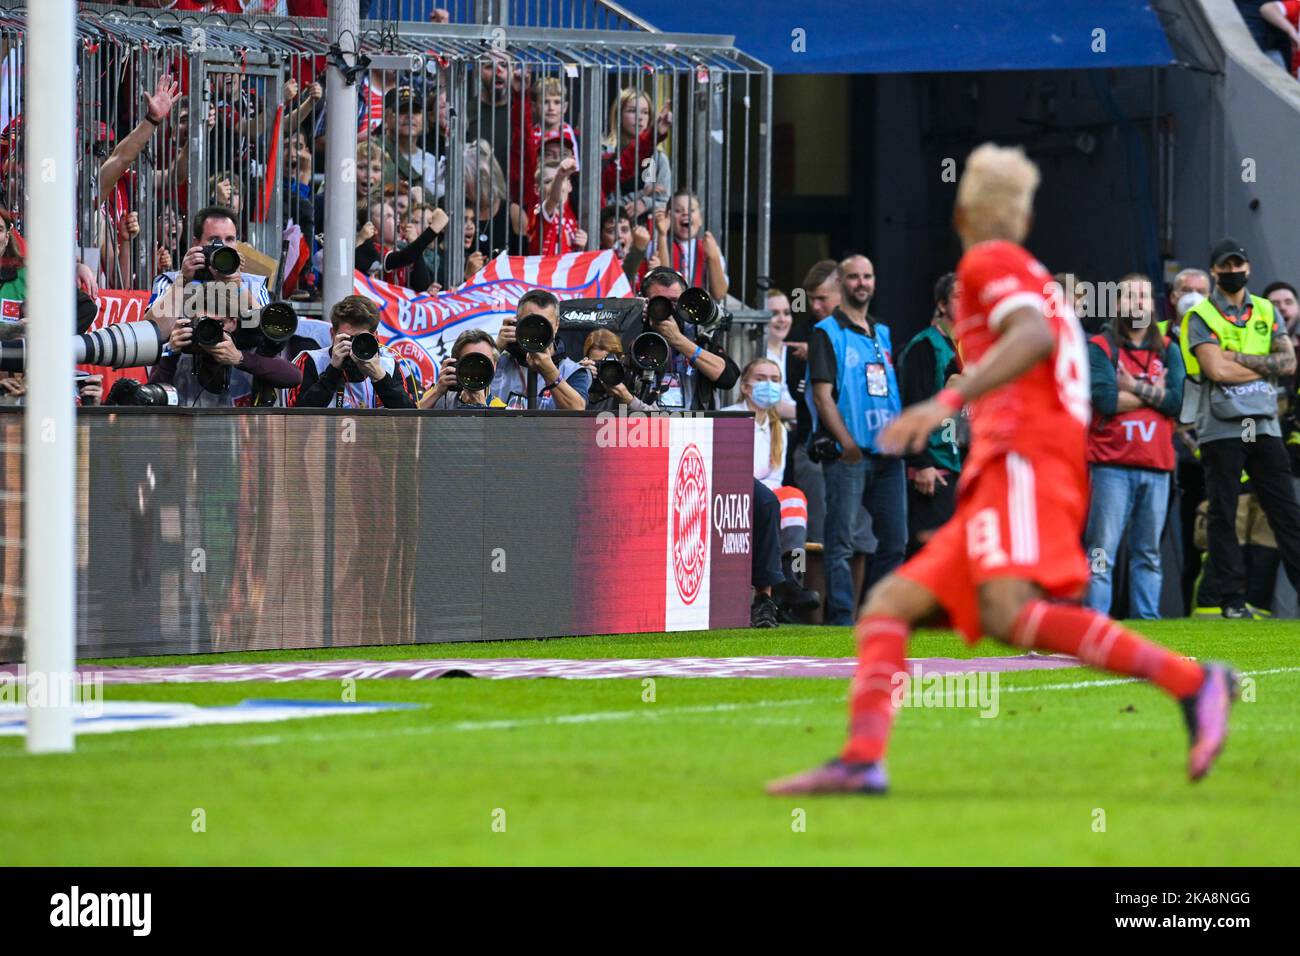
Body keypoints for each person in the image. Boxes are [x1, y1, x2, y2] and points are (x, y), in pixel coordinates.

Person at [767, 143, 1237, 797]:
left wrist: (944, 402)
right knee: (893, 607)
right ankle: (862, 758)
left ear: (964, 212)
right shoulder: (1032, 273)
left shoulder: (988, 263)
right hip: (1035, 467)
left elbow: (1035, 337)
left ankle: (1193, 682)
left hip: (1022, 465)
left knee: (1005, 611)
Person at [1180, 238, 1300, 618]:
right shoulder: (1200, 316)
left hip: (1262, 424)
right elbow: (1214, 370)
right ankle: (1230, 600)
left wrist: (1234, 358)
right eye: (1225, 266)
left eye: (1238, 265)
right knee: (1224, 512)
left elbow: (1289, 362)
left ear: (1247, 268)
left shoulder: (1265, 310)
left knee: (1286, 512)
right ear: (1214, 271)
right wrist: (1263, 363)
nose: (1233, 272)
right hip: (1221, 426)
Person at [806, 253, 906, 625]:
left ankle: (878, 617)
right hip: (851, 454)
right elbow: (822, 394)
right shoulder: (827, 332)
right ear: (840, 283)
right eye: (853, 277)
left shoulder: (883, 333)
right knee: (841, 543)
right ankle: (842, 620)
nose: (861, 283)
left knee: (894, 542)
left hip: (887, 454)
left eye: (868, 275)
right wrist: (846, 443)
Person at [1083, 273, 1184, 618]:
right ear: (1116, 304)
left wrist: (1134, 388)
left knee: (1149, 554)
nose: (1137, 303)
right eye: (1129, 297)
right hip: (1111, 465)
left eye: (1143, 297)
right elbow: (1105, 400)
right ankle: (1095, 626)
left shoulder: (1169, 348)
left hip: (1156, 465)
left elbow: (1177, 403)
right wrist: (1153, 391)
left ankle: (1148, 625)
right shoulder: (1101, 346)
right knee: (1101, 553)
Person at [723, 358, 821, 619]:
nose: (769, 385)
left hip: (767, 498)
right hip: (735, 494)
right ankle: (785, 585)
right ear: (745, 386)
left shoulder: (779, 428)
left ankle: (792, 580)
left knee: (794, 498)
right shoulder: (729, 416)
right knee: (784, 500)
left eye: (775, 380)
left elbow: (775, 479)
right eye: (761, 378)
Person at [148, 284, 302, 407]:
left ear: (233, 323)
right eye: (204, 323)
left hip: (242, 442)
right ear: (192, 321)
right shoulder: (183, 348)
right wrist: (170, 354)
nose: (212, 329)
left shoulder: (249, 351)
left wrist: (240, 359)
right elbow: (152, 397)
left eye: (220, 323)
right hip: (189, 439)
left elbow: (294, 377)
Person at [897, 272, 963, 555]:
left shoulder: (973, 346)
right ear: (942, 304)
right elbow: (913, 406)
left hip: (966, 466)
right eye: (960, 296)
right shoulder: (924, 346)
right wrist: (921, 463)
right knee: (931, 554)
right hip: (935, 467)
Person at [290, 295, 416, 409]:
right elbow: (295, 418)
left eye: (360, 339)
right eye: (347, 338)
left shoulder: (389, 367)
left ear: (375, 337)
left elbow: (410, 420)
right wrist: (332, 372)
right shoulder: (312, 361)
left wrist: (380, 378)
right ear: (332, 334)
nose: (353, 346)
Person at [149, 205, 270, 311]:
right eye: (214, 240)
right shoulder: (169, 281)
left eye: (229, 239)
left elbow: (268, 332)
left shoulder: (254, 284)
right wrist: (182, 281)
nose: (222, 247)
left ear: (237, 244)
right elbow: (152, 329)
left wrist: (239, 286)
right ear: (196, 244)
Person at [492, 289, 590, 410]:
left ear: (556, 325)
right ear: (516, 321)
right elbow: (467, 387)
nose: (537, 332)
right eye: (531, 324)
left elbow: (578, 411)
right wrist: (495, 349)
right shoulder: (500, 361)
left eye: (544, 324)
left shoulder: (572, 371)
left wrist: (550, 372)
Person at [651, 191, 727, 302]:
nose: (686, 214)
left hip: (701, 313)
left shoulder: (710, 247)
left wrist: (713, 257)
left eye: (691, 210)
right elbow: (663, 283)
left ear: (700, 219)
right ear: (668, 217)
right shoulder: (657, 244)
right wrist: (662, 235)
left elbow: (720, 293)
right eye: (678, 210)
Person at [420, 329, 508, 409]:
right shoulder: (439, 397)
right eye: (470, 362)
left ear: (494, 365)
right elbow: (411, 421)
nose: (475, 370)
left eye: (482, 362)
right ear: (455, 364)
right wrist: (437, 391)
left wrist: (481, 404)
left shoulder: (500, 409)